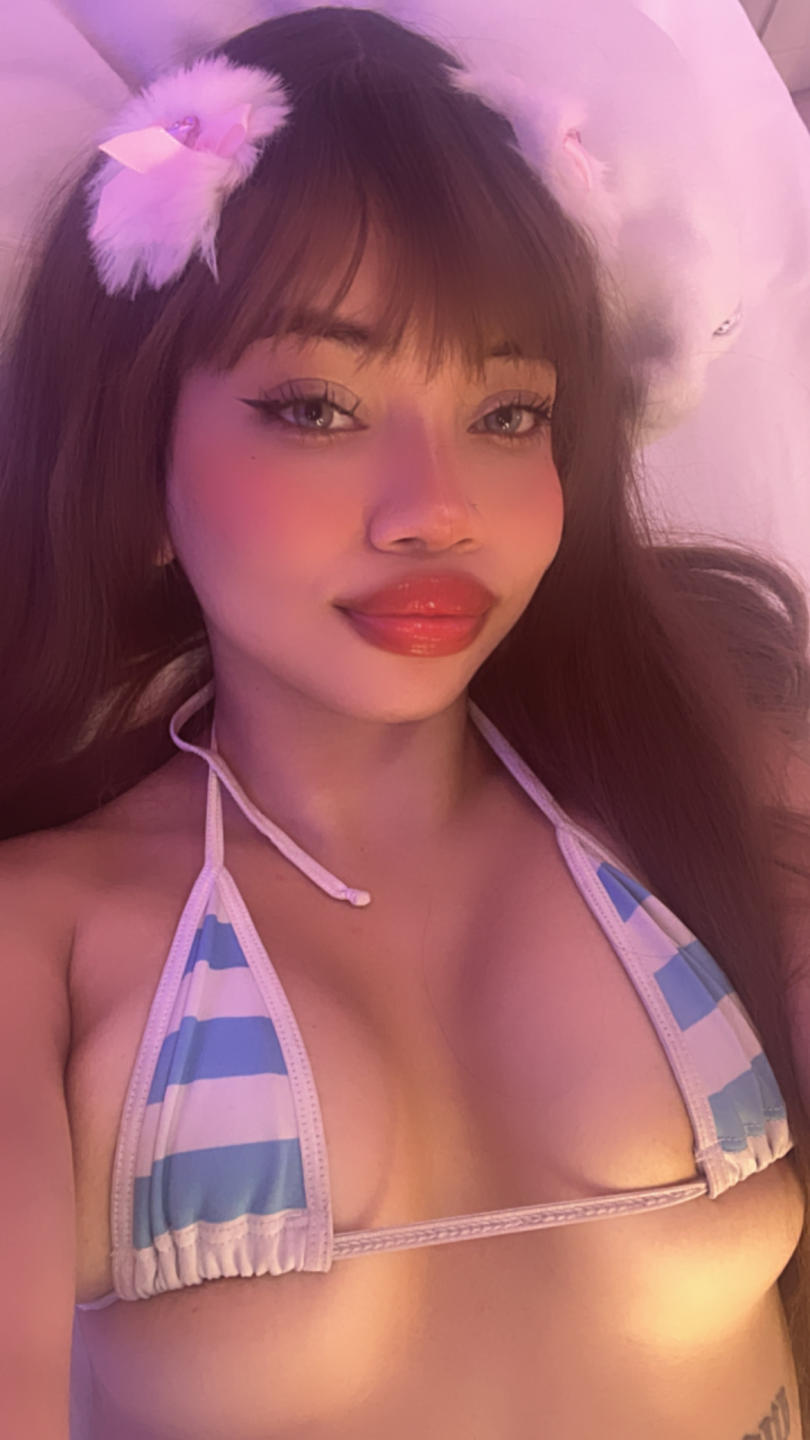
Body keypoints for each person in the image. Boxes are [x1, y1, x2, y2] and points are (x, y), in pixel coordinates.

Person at [1, 7, 810, 1438]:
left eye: (507, 414)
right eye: (316, 406)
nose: (437, 510)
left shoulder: (702, 798)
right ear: (136, 467)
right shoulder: (44, 949)